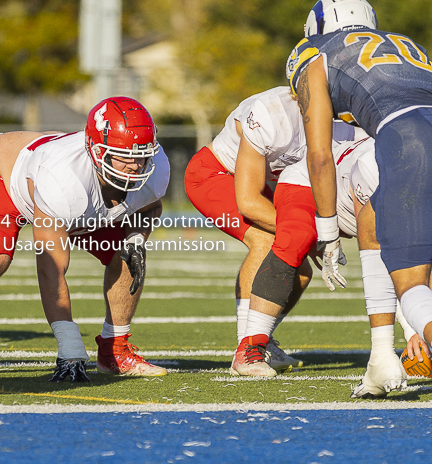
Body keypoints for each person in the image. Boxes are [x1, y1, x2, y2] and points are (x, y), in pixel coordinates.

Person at [0, 96, 170, 381]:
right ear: (96, 150)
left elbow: (149, 206)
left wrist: (137, 238)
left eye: (142, 154)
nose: (136, 166)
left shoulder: (156, 167)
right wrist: (68, 343)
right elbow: (50, 267)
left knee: (129, 254)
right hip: (0, 174)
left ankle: (114, 350)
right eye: (125, 156)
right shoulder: (64, 179)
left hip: (68, 189)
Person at [286, 0, 432, 355]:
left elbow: (320, 157)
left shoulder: (315, 57)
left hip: (409, 138)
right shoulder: (409, 45)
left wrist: (328, 232)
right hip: (417, 128)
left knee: (410, 282)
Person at [185, 87, 353, 374]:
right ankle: (246, 348)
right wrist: (318, 233)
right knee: (266, 241)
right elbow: (248, 203)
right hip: (215, 175)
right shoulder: (270, 112)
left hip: (264, 184)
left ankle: (262, 340)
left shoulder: (343, 119)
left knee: (299, 269)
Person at [280, 133, 430, 395]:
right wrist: (412, 328)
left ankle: (383, 355)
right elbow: (383, 257)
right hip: (322, 187)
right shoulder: (372, 167)